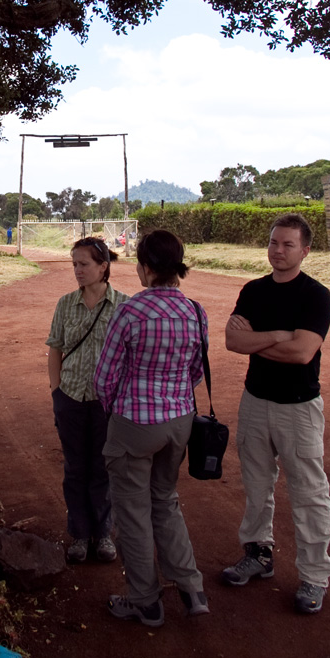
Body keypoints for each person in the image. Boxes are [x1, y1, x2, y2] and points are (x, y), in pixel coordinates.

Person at [94, 229, 209, 628]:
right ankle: (191, 588)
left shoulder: (131, 311)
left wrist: (116, 410)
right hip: (179, 422)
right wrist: (173, 396)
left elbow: (104, 377)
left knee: (132, 511)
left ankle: (145, 600)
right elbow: (197, 371)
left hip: (135, 422)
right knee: (165, 499)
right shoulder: (195, 311)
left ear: (145, 268)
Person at [222, 213, 330, 615]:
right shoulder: (253, 291)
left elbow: (302, 353)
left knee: (309, 493)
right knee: (256, 486)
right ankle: (258, 554)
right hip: (255, 402)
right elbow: (232, 342)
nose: (278, 251)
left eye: (288, 244)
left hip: (299, 409)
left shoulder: (315, 296)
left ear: (305, 251)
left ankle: (314, 576)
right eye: (273, 242)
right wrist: (277, 336)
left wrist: (255, 341)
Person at [46, 237, 128, 564]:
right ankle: (80, 534)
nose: (77, 270)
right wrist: (56, 392)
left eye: (84, 264)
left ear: (103, 266)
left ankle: (103, 533)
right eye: (74, 264)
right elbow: (55, 348)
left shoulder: (124, 305)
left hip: (107, 403)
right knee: (75, 467)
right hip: (70, 397)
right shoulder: (65, 304)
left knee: (103, 468)